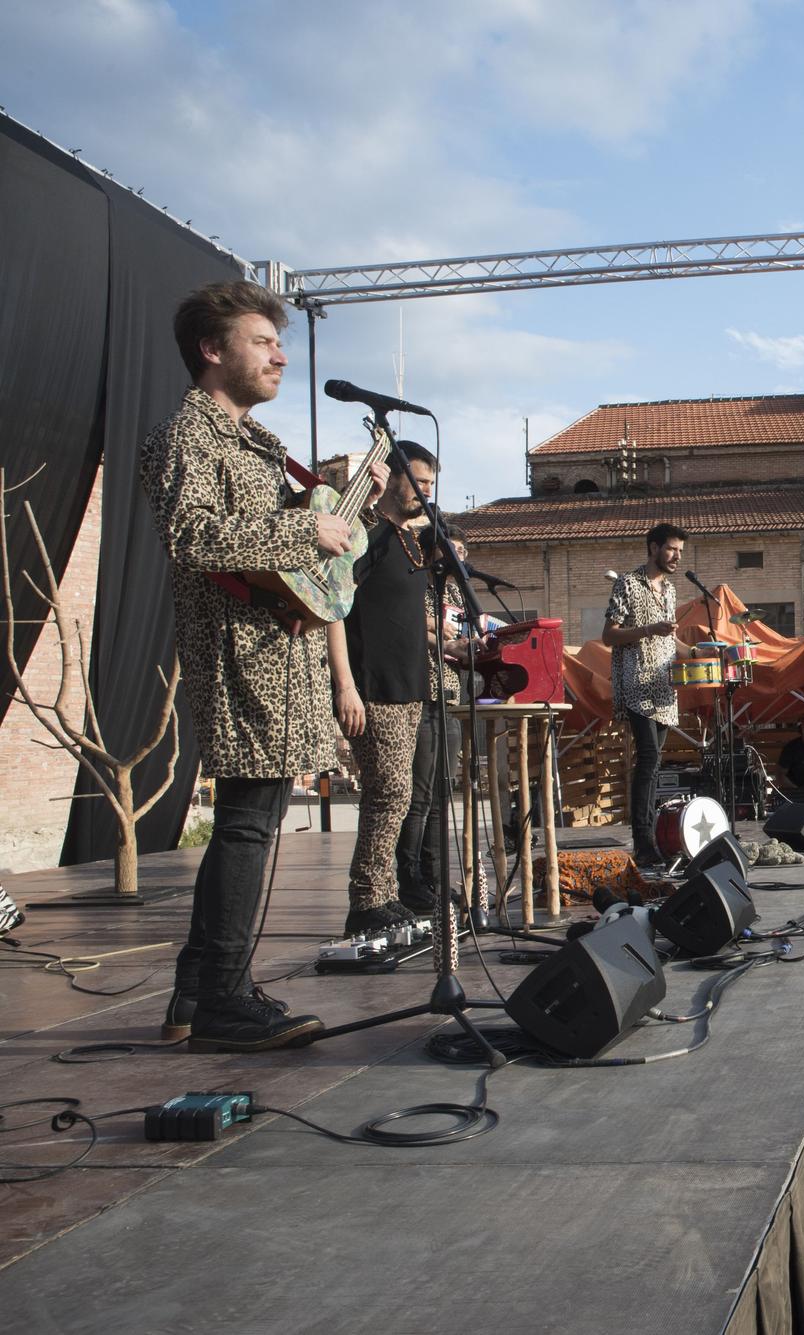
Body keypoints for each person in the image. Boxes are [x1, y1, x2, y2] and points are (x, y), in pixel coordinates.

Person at [144, 280, 387, 1051]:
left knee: (253, 821)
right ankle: (222, 998)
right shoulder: (191, 436)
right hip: (236, 653)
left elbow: (290, 538)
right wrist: (303, 533)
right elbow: (193, 536)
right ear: (212, 351)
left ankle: (196, 992)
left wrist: (349, 508)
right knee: (247, 826)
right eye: (262, 342)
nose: (281, 355)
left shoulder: (250, 443)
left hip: (274, 652)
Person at [326, 442, 447, 935]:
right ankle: (367, 899)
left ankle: (384, 893)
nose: (426, 493)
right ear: (394, 478)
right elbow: (332, 603)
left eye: (432, 486)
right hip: (373, 684)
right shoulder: (365, 534)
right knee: (389, 792)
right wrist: (345, 685)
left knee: (401, 793)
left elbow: (401, 613)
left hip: (410, 684)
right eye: (419, 482)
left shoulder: (410, 541)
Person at [603, 523, 686, 868]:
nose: (677, 556)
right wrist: (649, 630)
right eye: (671, 549)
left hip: (663, 685)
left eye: (680, 551)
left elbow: (669, 639)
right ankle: (643, 842)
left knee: (653, 765)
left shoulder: (669, 590)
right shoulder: (628, 583)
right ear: (653, 548)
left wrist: (696, 651)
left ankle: (650, 838)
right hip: (636, 683)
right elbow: (610, 635)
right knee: (649, 759)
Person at [400, 535, 474, 911]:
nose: (459, 557)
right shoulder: (413, 583)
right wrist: (437, 636)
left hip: (450, 695)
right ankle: (409, 878)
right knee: (420, 793)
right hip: (419, 692)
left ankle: (435, 877)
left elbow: (460, 638)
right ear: (431, 554)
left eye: (463, 552)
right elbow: (400, 621)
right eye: (452, 550)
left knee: (443, 791)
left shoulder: (457, 596)